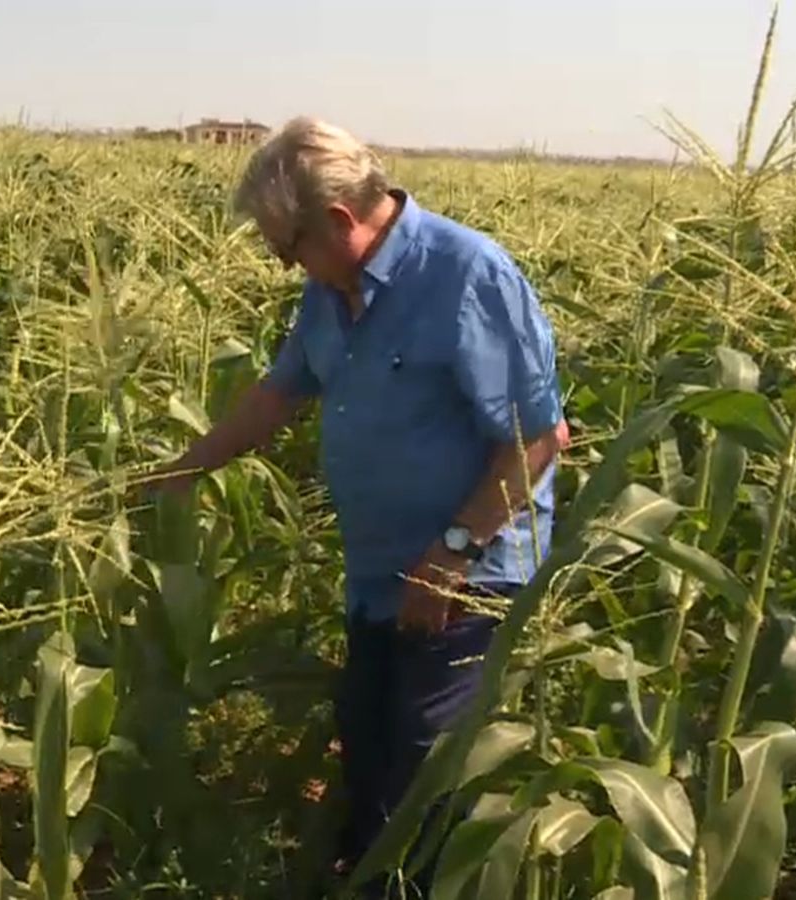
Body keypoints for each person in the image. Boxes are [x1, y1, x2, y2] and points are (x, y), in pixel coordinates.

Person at [142, 117, 569, 896]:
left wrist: (451, 555)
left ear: (340, 220)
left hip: (467, 583)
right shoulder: (330, 292)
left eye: (288, 246)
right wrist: (184, 467)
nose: (285, 266)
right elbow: (279, 391)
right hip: (380, 577)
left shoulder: (468, 275)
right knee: (370, 759)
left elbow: (537, 440)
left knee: (424, 783)